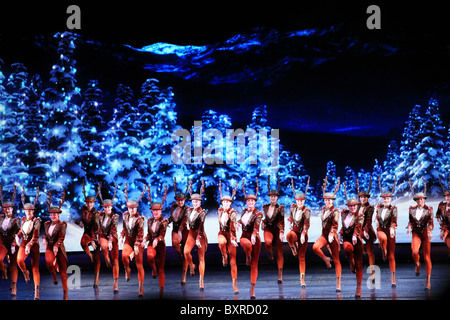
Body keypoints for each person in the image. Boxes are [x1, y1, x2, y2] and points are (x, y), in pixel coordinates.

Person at [312, 176, 342, 292]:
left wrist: (332, 233)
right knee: (315, 247)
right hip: (324, 236)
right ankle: (325, 259)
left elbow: (335, 225)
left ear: (333, 200)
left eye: (329, 200)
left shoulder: (335, 211)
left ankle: (338, 282)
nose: (327, 201)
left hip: (332, 237)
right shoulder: (323, 209)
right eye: (325, 200)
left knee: (336, 259)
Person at [237, 177, 262, 300]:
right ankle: (248, 254)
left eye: (252, 201)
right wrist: (237, 223)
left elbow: (257, 224)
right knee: (246, 244)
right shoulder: (243, 211)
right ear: (246, 202)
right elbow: (241, 220)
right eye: (249, 201)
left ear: (255, 202)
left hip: (255, 238)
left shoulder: (258, 214)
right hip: (244, 237)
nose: (250, 203)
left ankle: (252, 289)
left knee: (254, 265)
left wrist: (254, 234)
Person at [120, 183, 146, 297]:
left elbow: (140, 234)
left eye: (134, 208)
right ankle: (127, 269)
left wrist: (135, 247)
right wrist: (121, 235)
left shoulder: (139, 219)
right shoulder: (125, 215)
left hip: (137, 242)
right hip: (128, 241)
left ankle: (141, 287)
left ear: (136, 208)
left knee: (139, 264)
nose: (132, 210)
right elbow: (124, 228)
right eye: (130, 208)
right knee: (124, 256)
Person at [407, 178, 433, 291]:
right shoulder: (411, 210)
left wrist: (430, 231)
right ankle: (417, 264)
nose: (420, 201)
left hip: (425, 233)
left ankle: (428, 280)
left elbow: (431, 222)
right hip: (416, 233)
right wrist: (409, 228)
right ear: (416, 201)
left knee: (427, 257)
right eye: (418, 199)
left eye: (422, 199)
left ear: (424, 199)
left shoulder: (429, 209)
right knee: (414, 252)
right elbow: (410, 222)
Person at [143, 184, 168, 298]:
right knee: (149, 256)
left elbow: (162, 234)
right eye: (154, 211)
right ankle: (153, 268)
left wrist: (158, 239)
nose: (155, 213)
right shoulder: (149, 221)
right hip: (151, 244)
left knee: (161, 268)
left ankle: (161, 291)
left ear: (161, 211)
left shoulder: (164, 222)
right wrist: (145, 239)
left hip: (160, 245)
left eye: (157, 211)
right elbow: (149, 234)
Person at [340, 182, 364, 298]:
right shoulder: (344, 215)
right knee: (347, 248)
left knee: (359, 264)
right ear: (348, 207)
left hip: (357, 239)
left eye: (354, 206)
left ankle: (358, 287)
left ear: (357, 206)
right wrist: (340, 233)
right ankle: (350, 261)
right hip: (347, 239)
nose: (352, 207)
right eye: (350, 206)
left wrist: (355, 235)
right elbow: (343, 227)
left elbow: (358, 226)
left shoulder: (360, 216)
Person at [43, 189, 69, 300]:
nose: (53, 216)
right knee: (49, 263)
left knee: (63, 272)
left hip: (59, 248)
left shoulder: (62, 224)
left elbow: (61, 237)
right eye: (51, 214)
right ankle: (53, 273)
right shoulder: (47, 224)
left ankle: (65, 293)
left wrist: (57, 245)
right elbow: (46, 234)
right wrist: (44, 239)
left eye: (55, 214)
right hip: (49, 247)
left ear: (58, 215)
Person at [16, 187, 41, 300]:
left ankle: (36, 291)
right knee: (19, 260)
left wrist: (29, 245)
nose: (28, 212)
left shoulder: (37, 221)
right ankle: (25, 272)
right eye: (26, 211)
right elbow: (22, 231)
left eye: (30, 211)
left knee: (35, 268)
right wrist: (18, 235)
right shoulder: (23, 220)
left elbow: (35, 236)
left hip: (33, 244)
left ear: (33, 211)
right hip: (24, 242)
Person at [183, 179, 208, 291]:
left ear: (200, 202)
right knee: (186, 252)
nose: (195, 203)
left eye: (197, 201)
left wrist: (198, 238)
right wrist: (187, 223)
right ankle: (192, 265)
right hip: (190, 235)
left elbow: (201, 226)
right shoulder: (188, 210)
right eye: (193, 201)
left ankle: (201, 281)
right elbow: (187, 219)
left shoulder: (202, 212)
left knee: (201, 258)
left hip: (200, 235)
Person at [75, 181, 100, 287]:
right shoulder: (83, 210)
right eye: (88, 203)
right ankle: (89, 255)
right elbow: (82, 219)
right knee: (82, 243)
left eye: (91, 203)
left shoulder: (96, 214)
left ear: (94, 204)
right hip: (86, 233)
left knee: (97, 257)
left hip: (95, 234)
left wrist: (94, 240)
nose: (89, 204)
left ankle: (96, 279)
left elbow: (96, 228)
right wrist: (79, 222)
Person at [287, 177, 310, 288]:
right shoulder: (293, 208)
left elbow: (306, 223)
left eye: (301, 200)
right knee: (289, 235)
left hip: (302, 235)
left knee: (302, 258)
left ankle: (302, 279)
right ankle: (293, 248)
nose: (299, 202)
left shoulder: (307, 210)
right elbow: (291, 217)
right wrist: (290, 221)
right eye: (298, 200)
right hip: (294, 232)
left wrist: (304, 233)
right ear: (296, 200)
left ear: (304, 201)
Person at [96, 183, 120, 293]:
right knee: (104, 246)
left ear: (111, 207)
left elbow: (113, 229)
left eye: (109, 207)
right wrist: (97, 235)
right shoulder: (100, 215)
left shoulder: (115, 216)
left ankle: (115, 282)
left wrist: (111, 240)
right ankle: (106, 258)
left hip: (113, 237)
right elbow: (99, 226)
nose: (107, 209)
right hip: (103, 237)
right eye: (105, 207)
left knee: (115, 260)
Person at [375, 176, 398, 287]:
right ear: (382, 199)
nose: (386, 200)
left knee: (391, 256)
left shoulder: (394, 209)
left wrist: (393, 228)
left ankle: (393, 277)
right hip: (380, 230)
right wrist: (375, 220)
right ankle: (383, 250)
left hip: (390, 231)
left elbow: (394, 220)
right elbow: (376, 217)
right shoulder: (379, 208)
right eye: (384, 199)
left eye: (388, 199)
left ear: (390, 199)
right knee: (383, 238)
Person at [262, 174, 285, 283]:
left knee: (279, 252)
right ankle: (270, 253)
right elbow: (266, 218)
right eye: (271, 196)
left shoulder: (280, 208)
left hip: (277, 230)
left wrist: (281, 231)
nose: (273, 198)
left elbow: (281, 220)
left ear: (277, 197)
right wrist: (263, 222)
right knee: (267, 242)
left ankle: (280, 274)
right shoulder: (265, 207)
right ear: (269, 197)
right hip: (268, 229)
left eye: (275, 196)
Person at [217, 180, 239, 294]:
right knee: (221, 242)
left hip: (230, 235)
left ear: (230, 204)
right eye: (224, 202)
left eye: (227, 202)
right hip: (222, 233)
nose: (225, 204)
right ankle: (223, 255)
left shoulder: (233, 213)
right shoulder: (219, 210)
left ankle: (234, 284)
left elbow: (232, 227)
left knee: (233, 262)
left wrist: (233, 239)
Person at [168, 178, 189, 284]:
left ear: (184, 200)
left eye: (182, 200)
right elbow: (172, 217)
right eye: (178, 200)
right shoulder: (173, 207)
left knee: (185, 252)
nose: (180, 202)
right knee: (175, 244)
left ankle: (184, 275)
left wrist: (181, 230)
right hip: (175, 230)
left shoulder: (187, 209)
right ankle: (179, 253)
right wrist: (166, 222)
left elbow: (184, 220)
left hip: (184, 231)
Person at [0, 185, 20, 296]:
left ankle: (14, 286)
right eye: (5, 208)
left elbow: (18, 232)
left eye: (9, 208)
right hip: (2, 242)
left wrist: (14, 242)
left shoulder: (16, 220)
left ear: (12, 209)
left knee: (13, 264)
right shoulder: (0, 218)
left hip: (12, 243)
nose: (7, 210)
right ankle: (3, 271)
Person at [356, 178, 376, 275]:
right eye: (361, 197)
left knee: (370, 252)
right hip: (359, 230)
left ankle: (372, 272)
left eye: (365, 197)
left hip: (367, 230)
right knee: (356, 241)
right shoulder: (357, 206)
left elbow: (368, 221)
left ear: (367, 198)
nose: (363, 199)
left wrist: (366, 231)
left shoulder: (370, 208)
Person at [436, 176, 450, 257]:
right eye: (447, 196)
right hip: (446, 227)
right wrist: (439, 220)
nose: (448, 198)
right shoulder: (442, 206)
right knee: (448, 241)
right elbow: (438, 215)